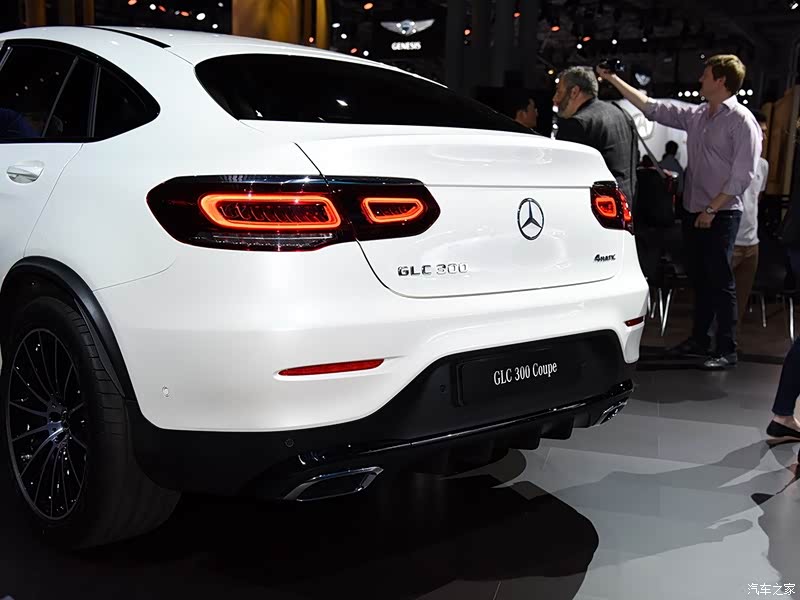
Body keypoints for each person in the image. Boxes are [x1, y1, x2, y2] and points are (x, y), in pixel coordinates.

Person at [598, 55, 763, 370]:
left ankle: (726, 348)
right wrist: (613, 79)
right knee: (701, 280)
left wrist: (712, 209)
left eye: (706, 75)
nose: (700, 79)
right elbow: (652, 108)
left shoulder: (742, 121)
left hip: (720, 213)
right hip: (694, 210)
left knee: (720, 281)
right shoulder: (698, 115)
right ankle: (699, 341)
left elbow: (743, 175)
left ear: (721, 81)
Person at [553, 66, 637, 204]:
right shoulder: (622, 113)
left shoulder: (576, 124)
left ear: (574, 92)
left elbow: (564, 177)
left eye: (559, 91)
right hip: (627, 205)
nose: (555, 98)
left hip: (597, 208)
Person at [732, 110, 769, 325]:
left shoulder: (763, 165)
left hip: (752, 243)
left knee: (740, 302)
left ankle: (730, 341)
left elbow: (756, 200)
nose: (762, 136)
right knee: (718, 299)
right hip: (730, 239)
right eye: (759, 131)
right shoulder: (730, 162)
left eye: (764, 132)